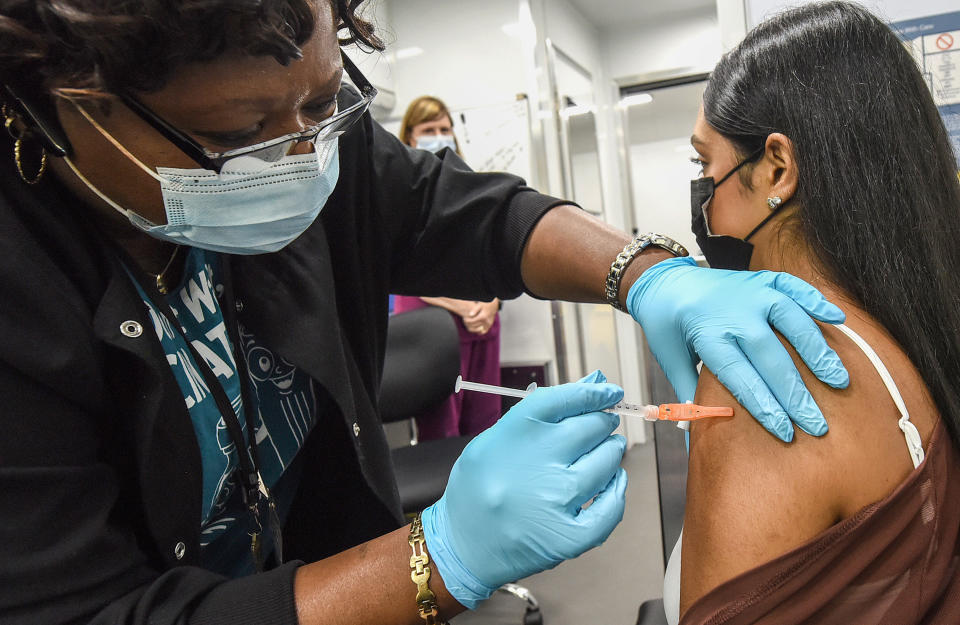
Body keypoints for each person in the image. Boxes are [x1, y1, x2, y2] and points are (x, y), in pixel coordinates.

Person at [0, 1, 850, 624]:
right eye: (243, 133)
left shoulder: (308, 134)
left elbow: (469, 213)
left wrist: (646, 273)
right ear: (71, 104)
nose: (304, 155)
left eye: (323, 104)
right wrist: (436, 555)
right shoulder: (23, 274)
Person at [664, 3, 960, 623]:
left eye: (704, 166)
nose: (702, 201)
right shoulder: (911, 324)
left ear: (777, 166)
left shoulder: (767, 372)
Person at [393, 95, 502, 440]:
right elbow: (398, 264)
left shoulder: (471, 182)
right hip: (431, 324)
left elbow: (492, 251)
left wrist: (491, 302)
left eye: (445, 128)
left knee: (487, 424)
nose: (439, 135)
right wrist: (463, 305)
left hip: (482, 319)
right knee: (443, 432)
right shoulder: (395, 188)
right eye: (429, 129)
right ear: (409, 136)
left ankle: (487, 495)